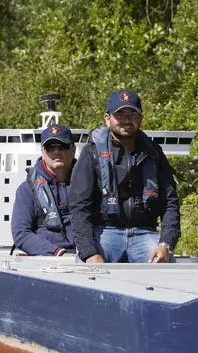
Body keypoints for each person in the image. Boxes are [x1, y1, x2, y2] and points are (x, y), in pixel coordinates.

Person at [70, 89, 181, 263]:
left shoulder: (154, 153)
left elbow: (170, 202)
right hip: (104, 231)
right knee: (87, 271)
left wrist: (166, 243)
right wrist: (89, 252)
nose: (127, 120)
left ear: (141, 119)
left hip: (144, 233)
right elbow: (78, 206)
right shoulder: (91, 152)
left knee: (164, 268)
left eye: (133, 114)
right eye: (120, 114)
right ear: (108, 119)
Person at [10, 124, 77, 256]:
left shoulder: (88, 182)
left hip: (86, 256)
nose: (57, 152)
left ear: (73, 149)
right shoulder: (26, 190)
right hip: (48, 259)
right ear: (43, 151)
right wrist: (58, 253)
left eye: (62, 146)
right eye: (51, 148)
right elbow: (21, 234)